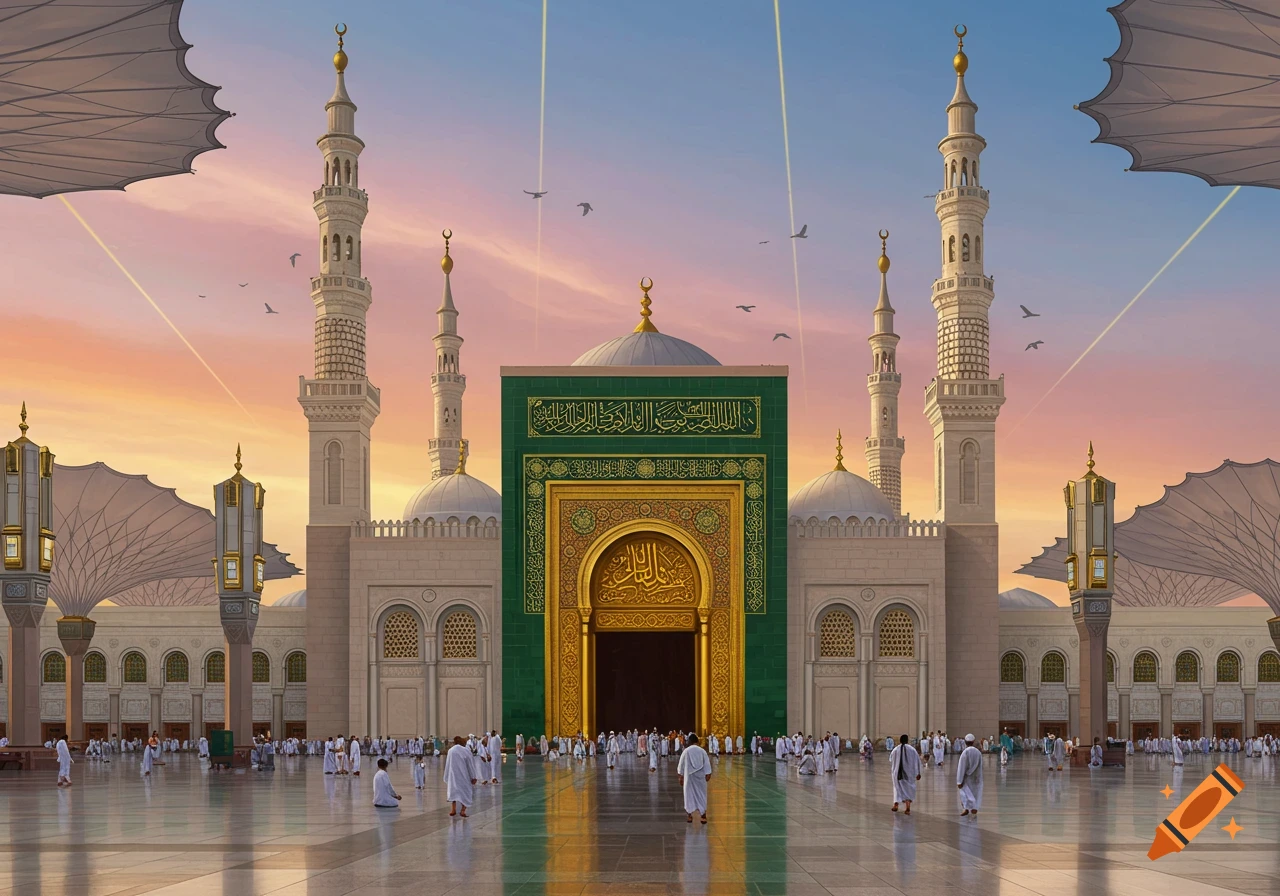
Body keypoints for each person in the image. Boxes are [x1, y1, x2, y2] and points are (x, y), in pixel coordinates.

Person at [677, 733, 712, 824]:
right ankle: (703, 816)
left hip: (689, 777)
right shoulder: (702, 751)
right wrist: (708, 774)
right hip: (700, 778)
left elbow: (681, 764)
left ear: (690, 742)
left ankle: (689, 815)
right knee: (701, 794)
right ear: (697, 741)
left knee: (689, 795)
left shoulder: (686, 751)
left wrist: (680, 776)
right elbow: (707, 764)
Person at [445, 736, 477, 818]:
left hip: (453, 776)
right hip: (464, 775)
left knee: (453, 792)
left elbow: (447, 764)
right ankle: (463, 810)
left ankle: (453, 810)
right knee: (465, 792)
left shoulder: (451, 751)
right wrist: (473, 776)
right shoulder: (466, 751)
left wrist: (447, 776)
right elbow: (470, 765)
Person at [889, 734, 921, 814]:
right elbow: (917, 762)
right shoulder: (912, 750)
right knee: (908, 790)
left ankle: (896, 805)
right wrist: (918, 773)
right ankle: (907, 808)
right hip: (909, 774)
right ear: (907, 740)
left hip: (897, 774)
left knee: (897, 789)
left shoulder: (895, 750)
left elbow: (891, 759)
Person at [956, 734, 984, 817]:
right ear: (973, 741)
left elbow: (962, 767)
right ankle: (973, 808)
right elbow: (980, 765)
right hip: (976, 776)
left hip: (966, 777)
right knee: (975, 792)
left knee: (964, 793)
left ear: (965, 742)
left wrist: (959, 780)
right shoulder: (978, 752)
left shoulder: (965, 752)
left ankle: (967, 808)